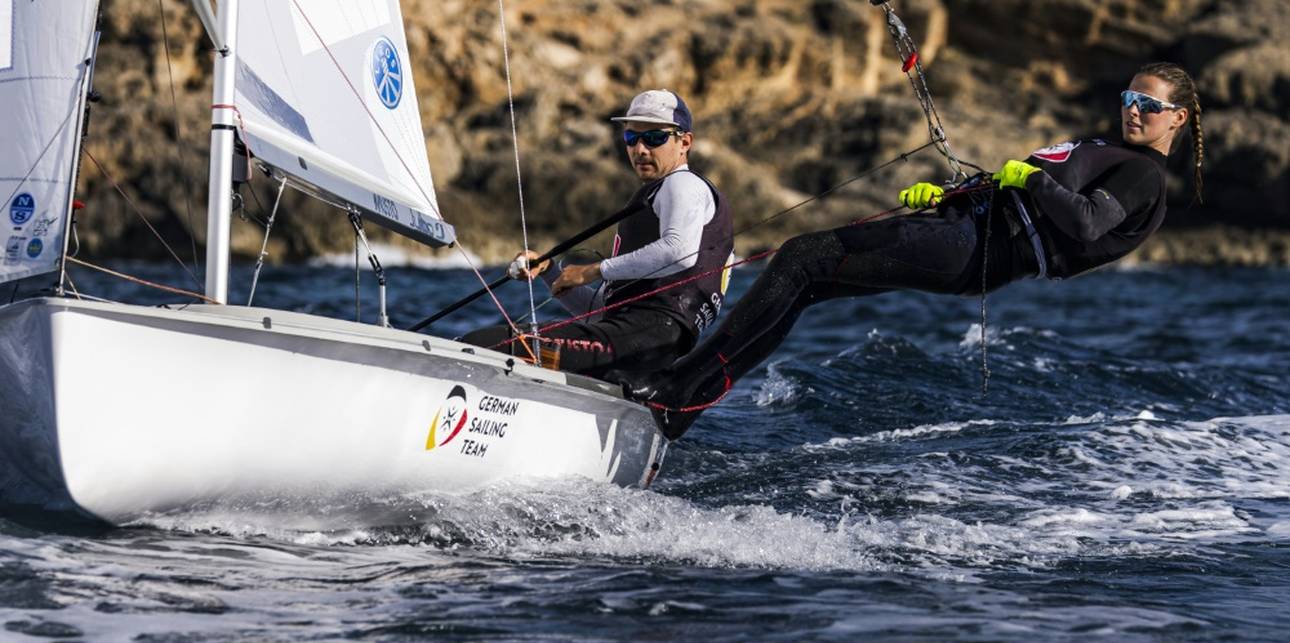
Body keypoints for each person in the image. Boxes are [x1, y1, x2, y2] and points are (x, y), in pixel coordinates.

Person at [630, 62, 1205, 440]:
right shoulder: (1113, 147)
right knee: (804, 281)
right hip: (968, 229)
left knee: (803, 257)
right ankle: (684, 401)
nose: (1134, 109)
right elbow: (1036, 195)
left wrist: (1026, 181)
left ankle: (679, 389)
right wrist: (954, 194)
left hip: (978, 248)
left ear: (1176, 118)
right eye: (1129, 97)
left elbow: (1084, 223)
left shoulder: (1143, 176)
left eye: (1149, 105)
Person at [462, 89, 734, 379]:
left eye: (655, 138)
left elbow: (680, 252)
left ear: (685, 142)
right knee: (500, 344)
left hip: (653, 335)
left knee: (489, 345)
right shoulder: (655, 197)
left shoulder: (683, 184)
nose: (640, 149)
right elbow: (601, 311)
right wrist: (551, 272)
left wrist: (592, 270)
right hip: (635, 340)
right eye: (631, 138)